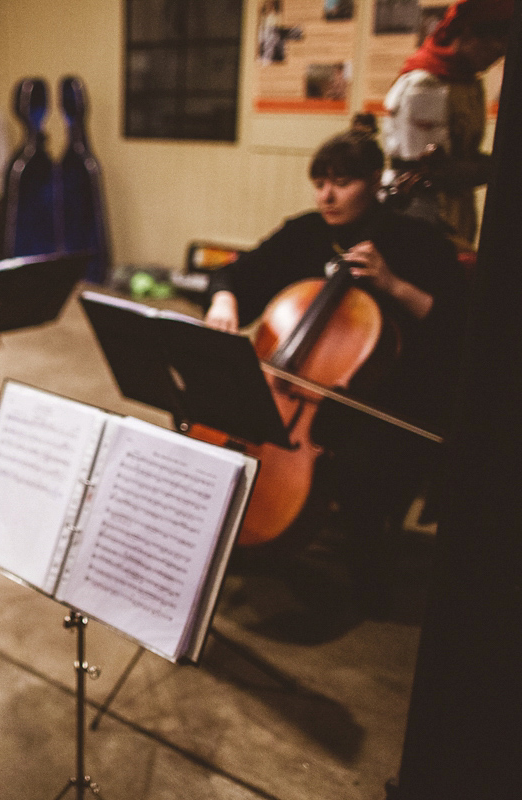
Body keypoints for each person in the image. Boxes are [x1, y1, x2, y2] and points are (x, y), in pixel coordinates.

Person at [204, 118, 468, 612]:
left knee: (366, 467)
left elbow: (458, 323)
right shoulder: (305, 234)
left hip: (384, 397)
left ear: (373, 182)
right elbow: (234, 274)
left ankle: (369, 579)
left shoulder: (416, 241)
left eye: (341, 183)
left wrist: (392, 286)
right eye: (320, 182)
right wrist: (225, 301)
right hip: (297, 390)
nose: (327, 196)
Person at [381, 0, 513, 248]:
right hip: (422, 209)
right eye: (490, 48)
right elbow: (430, 169)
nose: (492, 59)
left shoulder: (468, 82)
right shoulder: (425, 83)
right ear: (467, 33)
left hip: (456, 205)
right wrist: (499, 168)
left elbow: (465, 154)